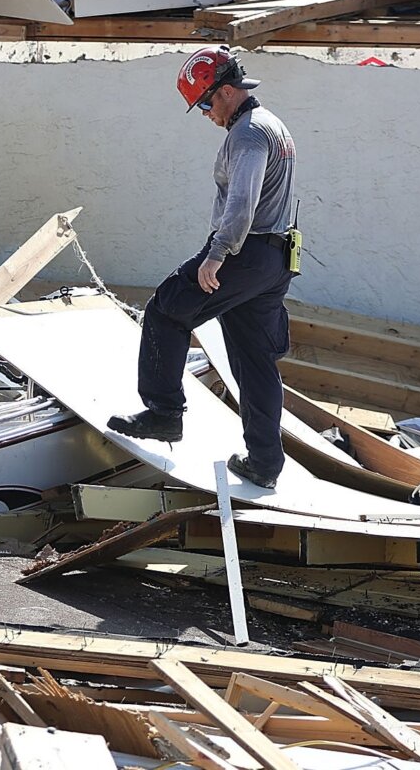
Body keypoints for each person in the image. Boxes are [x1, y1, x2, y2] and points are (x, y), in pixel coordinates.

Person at [109, 46, 297, 489]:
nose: (206, 114)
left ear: (227, 92)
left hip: (244, 252)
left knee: (166, 309)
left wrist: (217, 253)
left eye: (207, 103)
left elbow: (242, 203)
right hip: (277, 257)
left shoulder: (248, 134)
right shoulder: (273, 124)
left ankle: (163, 413)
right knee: (255, 361)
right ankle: (265, 463)